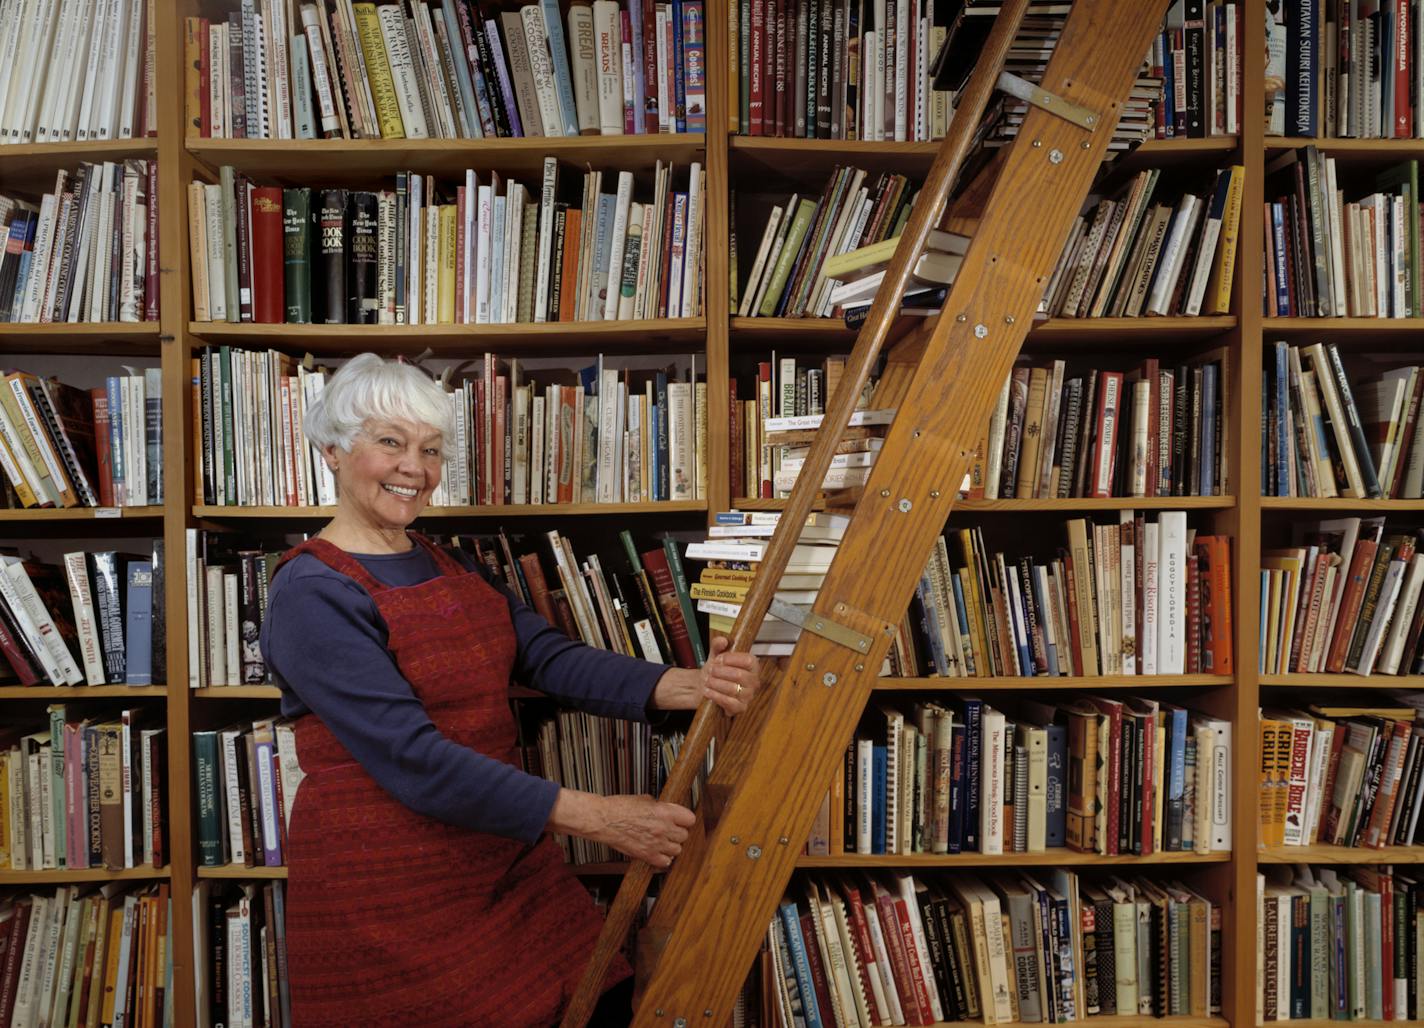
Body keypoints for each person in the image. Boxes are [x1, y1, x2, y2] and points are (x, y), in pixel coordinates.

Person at [258, 353, 762, 1027]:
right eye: (390, 442)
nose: (416, 467)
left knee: (606, 1000)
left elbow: (548, 658)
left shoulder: (447, 561)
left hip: (502, 860)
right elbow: (415, 761)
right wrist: (603, 818)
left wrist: (689, 684)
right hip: (390, 890)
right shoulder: (311, 591)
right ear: (332, 451)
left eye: (431, 449)